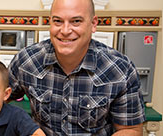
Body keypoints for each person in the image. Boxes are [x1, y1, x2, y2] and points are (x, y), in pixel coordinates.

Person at [8, 0, 145, 135]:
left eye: (76, 21)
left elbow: (130, 129)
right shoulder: (26, 61)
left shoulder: (121, 69)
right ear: (50, 22)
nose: (65, 30)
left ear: (93, 24)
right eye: (58, 21)